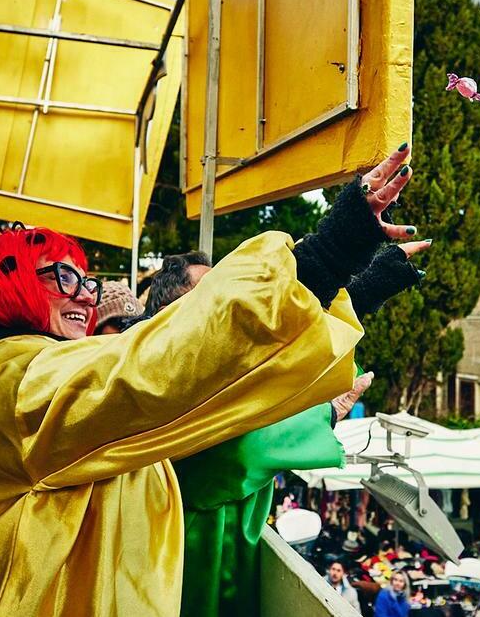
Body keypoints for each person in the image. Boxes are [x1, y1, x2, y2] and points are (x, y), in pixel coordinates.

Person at [0, 148, 425, 616]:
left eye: (86, 280)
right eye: (63, 276)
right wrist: (328, 254)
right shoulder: (6, 383)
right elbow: (169, 391)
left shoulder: (34, 369)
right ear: (6, 287)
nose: (86, 295)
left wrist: (355, 285)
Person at [141, 245, 418, 617]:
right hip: (183, 570)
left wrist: (368, 288)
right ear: (167, 314)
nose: (226, 308)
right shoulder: (159, 379)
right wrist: (327, 413)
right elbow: (234, 453)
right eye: (209, 296)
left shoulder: (221, 374)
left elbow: (287, 354)